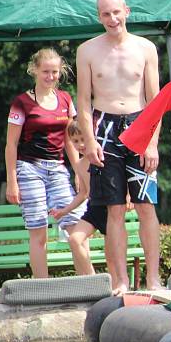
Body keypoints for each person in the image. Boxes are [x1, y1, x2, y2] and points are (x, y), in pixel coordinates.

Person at [76, 0, 161, 295]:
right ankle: (120, 280)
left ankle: (153, 278)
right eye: (105, 14)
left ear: (126, 11)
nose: (112, 19)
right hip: (104, 128)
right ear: (99, 17)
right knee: (114, 209)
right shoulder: (87, 50)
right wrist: (89, 140)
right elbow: (84, 101)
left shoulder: (145, 48)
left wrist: (152, 143)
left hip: (140, 125)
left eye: (115, 12)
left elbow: (156, 101)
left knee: (146, 206)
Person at [5, 48, 81, 278]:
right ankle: (42, 284)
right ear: (34, 71)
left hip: (57, 168)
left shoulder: (66, 99)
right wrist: (12, 181)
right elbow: (11, 144)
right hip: (29, 168)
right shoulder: (21, 102)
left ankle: (87, 281)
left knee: (74, 223)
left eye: (55, 72)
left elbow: (71, 139)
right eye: (45, 71)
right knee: (39, 230)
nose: (50, 76)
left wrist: (78, 171)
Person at [49, 119, 115, 281]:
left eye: (83, 139)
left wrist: (128, 197)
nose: (80, 145)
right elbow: (83, 193)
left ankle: (116, 284)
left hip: (111, 209)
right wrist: (64, 211)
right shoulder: (79, 165)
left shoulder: (103, 156)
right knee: (74, 239)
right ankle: (92, 279)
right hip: (93, 209)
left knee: (111, 253)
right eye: (75, 141)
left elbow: (119, 179)